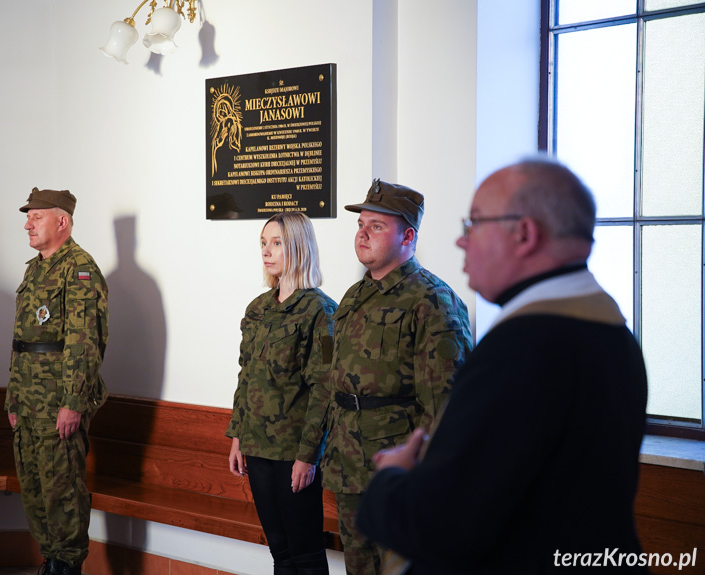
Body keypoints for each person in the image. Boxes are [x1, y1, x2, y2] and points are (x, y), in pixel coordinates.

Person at [357, 158, 649, 573]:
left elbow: (439, 524)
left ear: (525, 234)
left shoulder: (524, 348)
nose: (462, 242)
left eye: (474, 222)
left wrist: (391, 479)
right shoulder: (611, 333)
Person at [323, 180, 472, 575]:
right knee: (359, 568)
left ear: (408, 237)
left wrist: (427, 481)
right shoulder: (355, 296)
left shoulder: (431, 301)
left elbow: (445, 405)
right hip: (348, 464)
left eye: (376, 226)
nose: (362, 234)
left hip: (397, 469)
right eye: (361, 224)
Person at [5, 188, 108, 575]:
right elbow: (22, 342)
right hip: (29, 401)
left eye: (36, 216)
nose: (27, 223)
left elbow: (85, 343)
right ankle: (50, 560)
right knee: (33, 487)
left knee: (61, 491)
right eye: (28, 217)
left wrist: (74, 402)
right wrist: (13, 399)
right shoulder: (35, 269)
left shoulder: (80, 268)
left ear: (61, 221)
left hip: (58, 403)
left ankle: (66, 565)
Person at [227, 212, 336, 575]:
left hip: (294, 451)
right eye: (263, 243)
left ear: (299, 248)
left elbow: (325, 386)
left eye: (277, 243)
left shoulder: (321, 311)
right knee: (280, 551)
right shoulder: (257, 309)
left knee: (304, 554)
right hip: (257, 447)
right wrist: (237, 436)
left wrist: (309, 455)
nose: (267, 251)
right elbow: (246, 377)